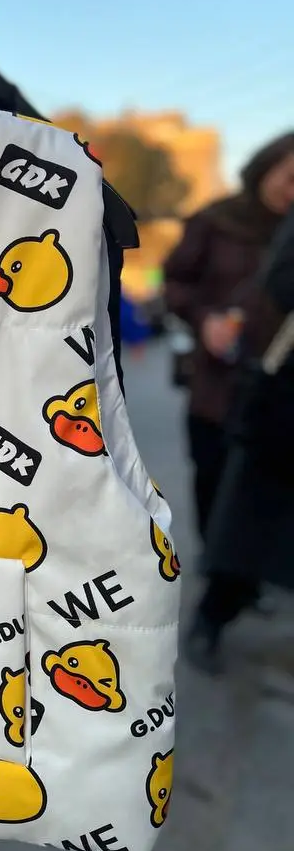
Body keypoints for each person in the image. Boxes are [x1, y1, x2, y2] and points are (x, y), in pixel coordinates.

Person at [163, 131, 294, 671]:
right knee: (213, 480)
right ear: (267, 166)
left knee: (249, 497)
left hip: (274, 393)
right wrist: (205, 319)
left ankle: (236, 581)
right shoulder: (217, 220)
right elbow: (174, 283)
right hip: (217, 386)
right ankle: (217, 576)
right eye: (289, 177)